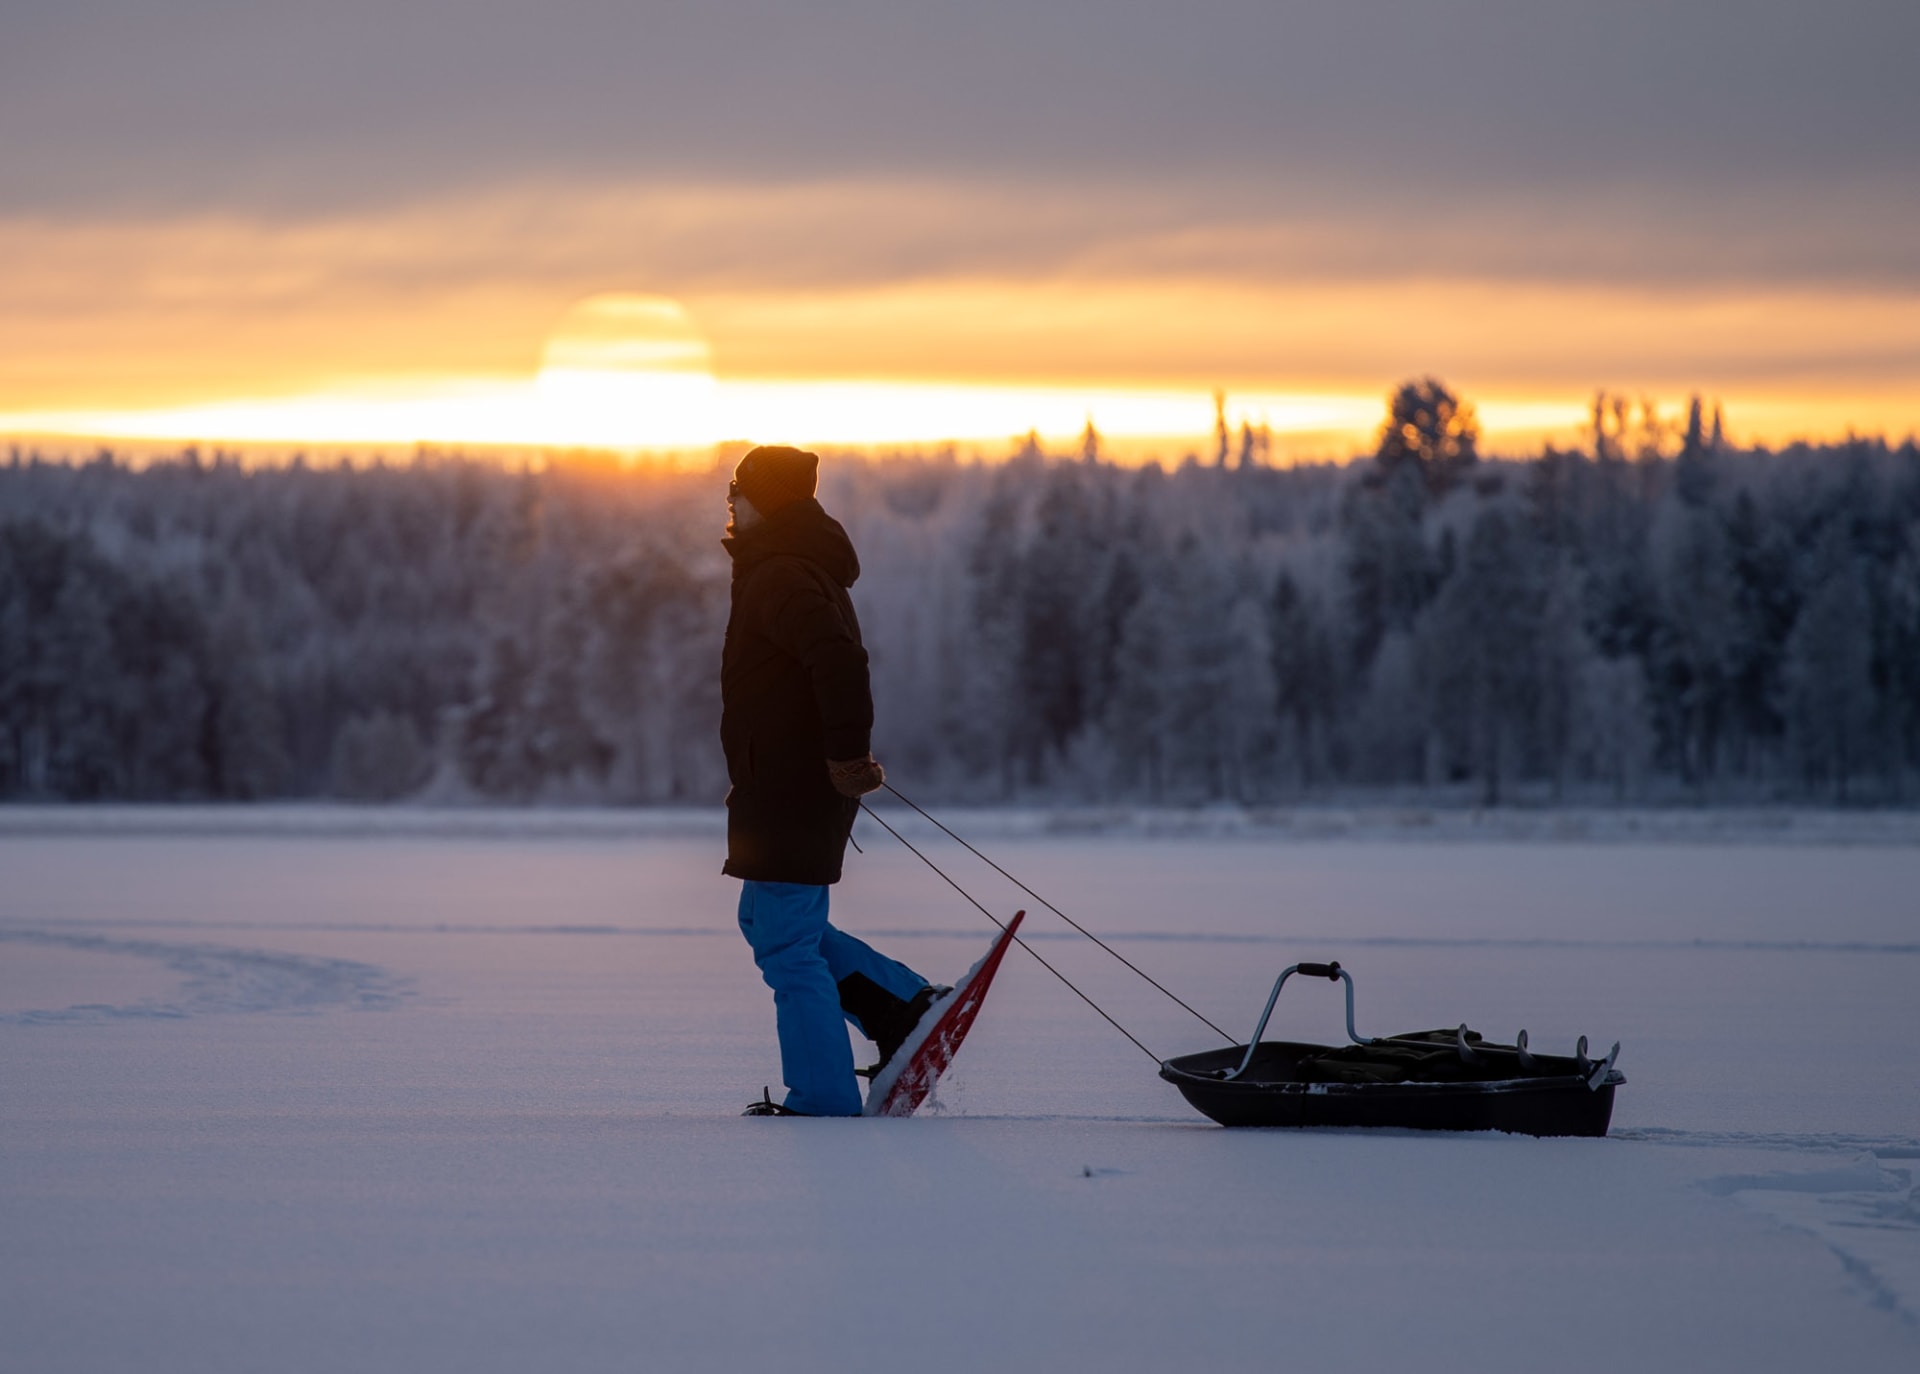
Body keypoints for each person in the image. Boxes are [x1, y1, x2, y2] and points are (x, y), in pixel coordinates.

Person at [720, 445, 946, 1117]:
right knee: (766, 917)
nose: (730, 502)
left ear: (770, 502)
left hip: (795, 786)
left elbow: (841, 664)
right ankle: (908, 1005)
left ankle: (822, 1096)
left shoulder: (782, 573)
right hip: (778, 786)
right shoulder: (784, 566)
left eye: (741, 491)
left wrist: (847, 758)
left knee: (787, 939)